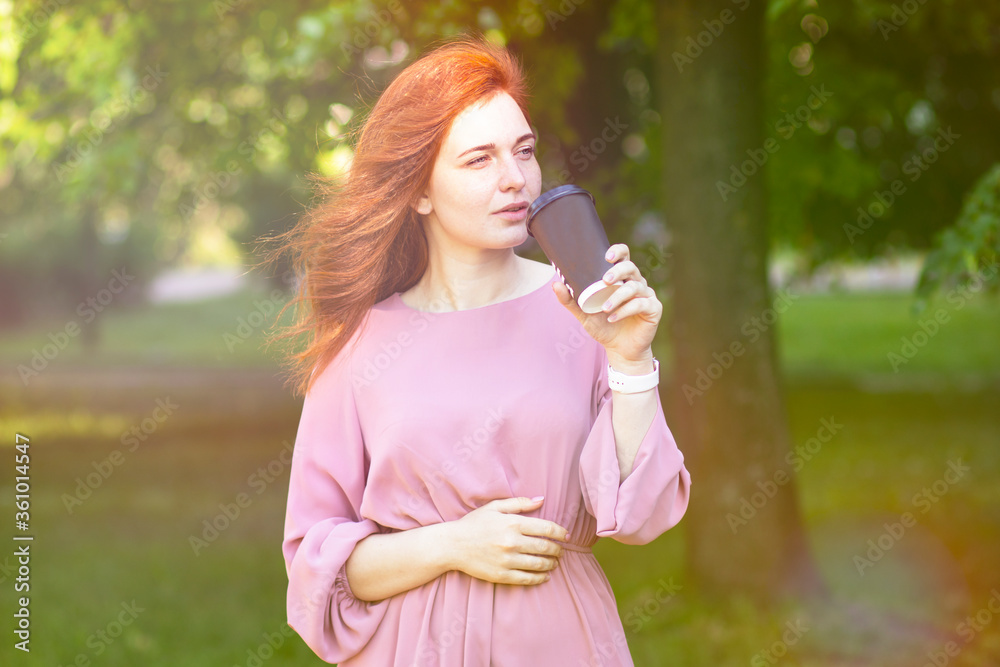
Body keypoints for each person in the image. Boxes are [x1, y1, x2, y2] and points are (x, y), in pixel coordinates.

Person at [273, 34, 691, 666]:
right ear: (419, 191)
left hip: (560, 642)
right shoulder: (361, 344)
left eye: (524, 151)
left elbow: (642, 515)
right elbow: (318, 567)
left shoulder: (584, 314)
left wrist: (631, 360)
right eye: (479, 160)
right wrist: (453, 545)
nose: (515, 179)